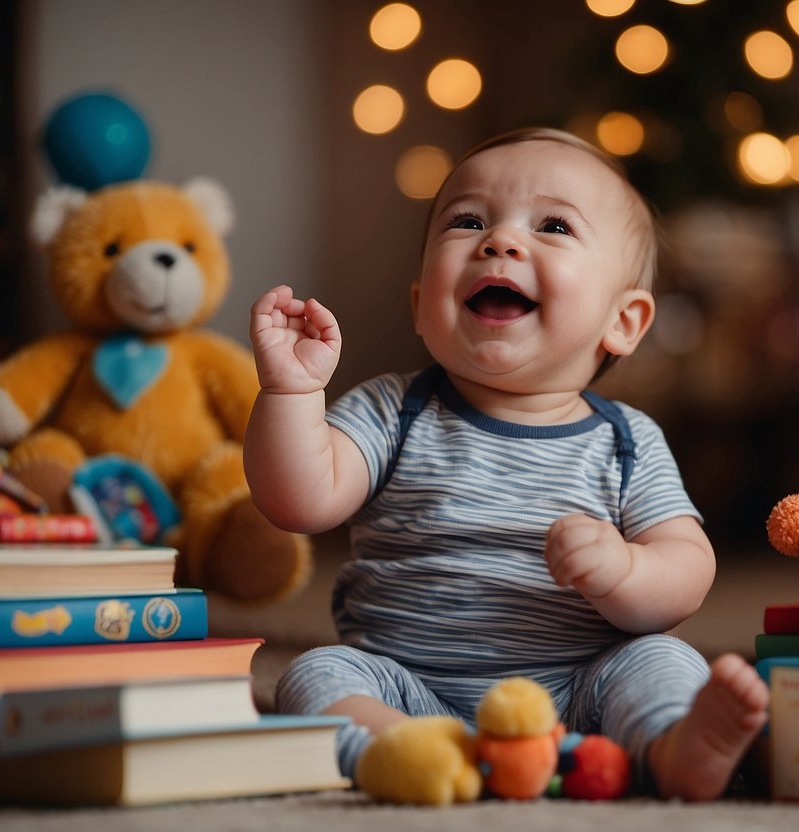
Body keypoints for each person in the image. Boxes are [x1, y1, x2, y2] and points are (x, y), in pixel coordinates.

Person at [244, 127, 769, 801]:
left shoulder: (626, 440)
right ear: (419, 306)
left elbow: (689, 567)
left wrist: (626, 569)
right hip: (411, 690)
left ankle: (672, 747)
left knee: (661, 658)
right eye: (467, 221)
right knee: (315, 673)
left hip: (580, 696)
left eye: (552, 225)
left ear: (624, 322)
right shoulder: (391, 411)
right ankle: (408, 752)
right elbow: (298, 501)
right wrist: (291, 391)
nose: (498, 241)